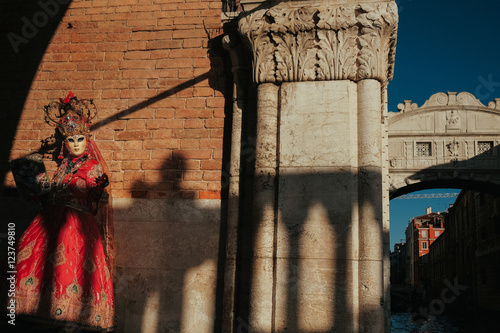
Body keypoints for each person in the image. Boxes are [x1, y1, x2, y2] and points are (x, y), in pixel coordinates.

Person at [11, 92, 115, 331]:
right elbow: (50, 196)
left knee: (71, 272)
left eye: (80, 138)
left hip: (77, 228)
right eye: (71, 140)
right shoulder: (62, 167)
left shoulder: (93, 166)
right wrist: (37, 191)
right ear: (64, 142)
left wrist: (97, 192)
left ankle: (69, 317)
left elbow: (97, 203)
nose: (76, 144)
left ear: (86, 139)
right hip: (48, 223)